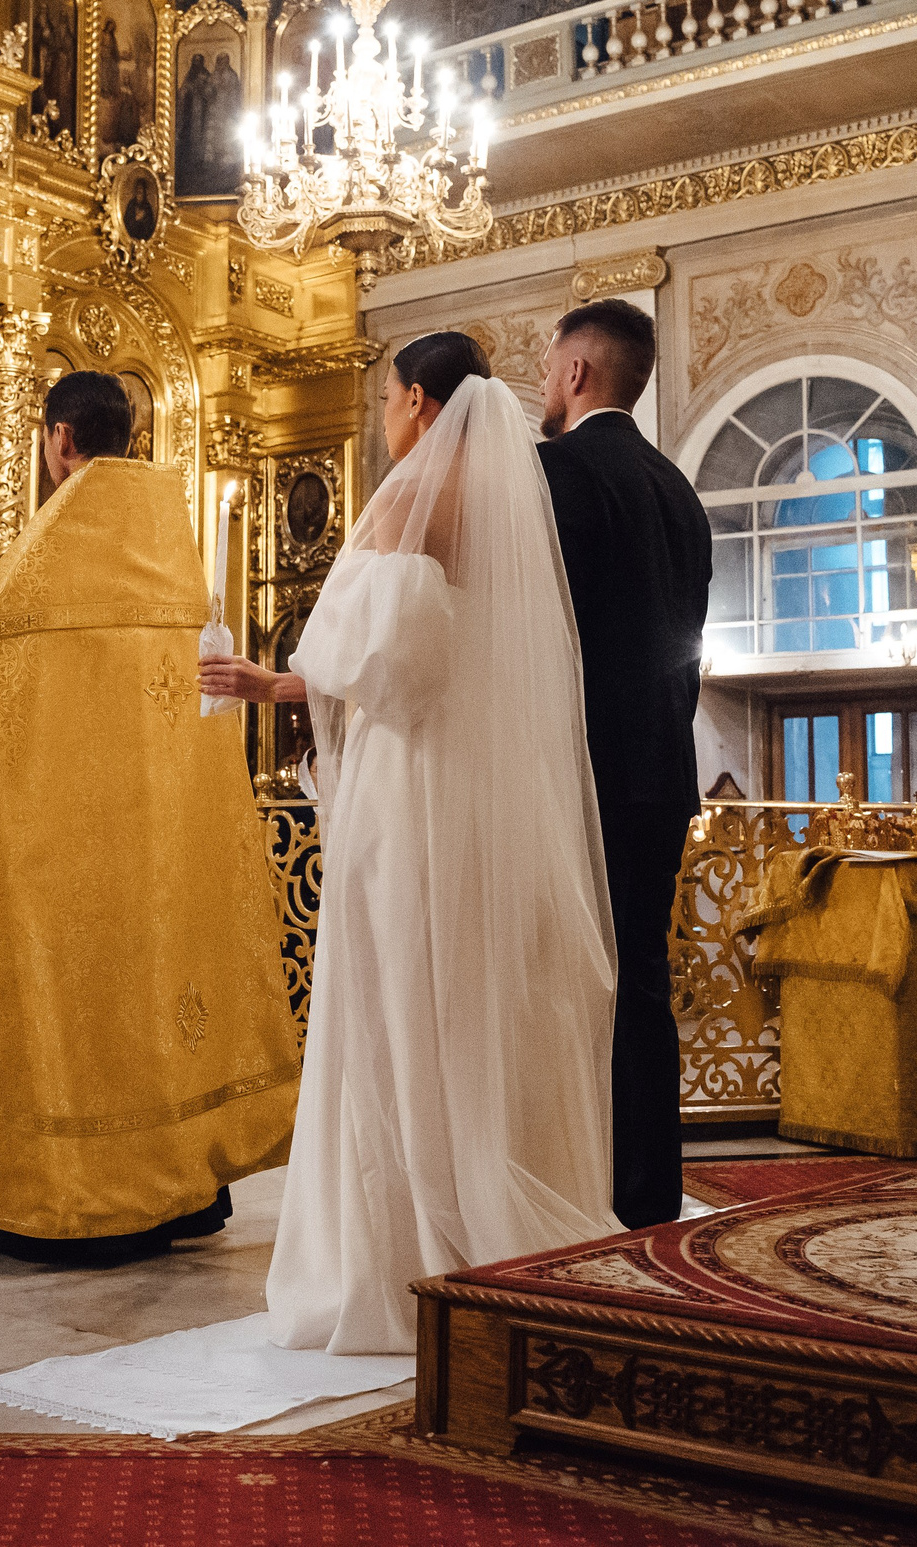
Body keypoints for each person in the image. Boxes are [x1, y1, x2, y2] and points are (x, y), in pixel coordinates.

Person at [200, 332, 622, 1353]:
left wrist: (283, 674)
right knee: (463, 997)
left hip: (405, 788)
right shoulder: (507, 514)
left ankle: (402, 1255)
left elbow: (379, 667)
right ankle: (494, 1209)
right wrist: (290, 682)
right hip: (477, 791)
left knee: (394, 1000)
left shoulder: (404, 501)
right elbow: (437, 661)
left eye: (386, 399)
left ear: (421, 402)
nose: (382, 418)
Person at [0, 370, 299, 1264]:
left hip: (57, 851)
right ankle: (174, 1186)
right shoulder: (176, 550)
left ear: (60, 438)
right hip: (166, 850)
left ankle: (68, 1191)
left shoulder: (31, 571)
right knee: (159, 998)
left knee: (73, 1008)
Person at [535, 300, 712, 1231]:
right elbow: (688, 644)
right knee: (643, 975)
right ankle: (648, 1188)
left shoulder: (559, 470)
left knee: (574, 980)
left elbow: (544, 635)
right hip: (664, 774)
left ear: (576, 374)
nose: (538, 381)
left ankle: (579, 1178)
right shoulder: (676, 486)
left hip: (583, 774)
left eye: (545, 363)